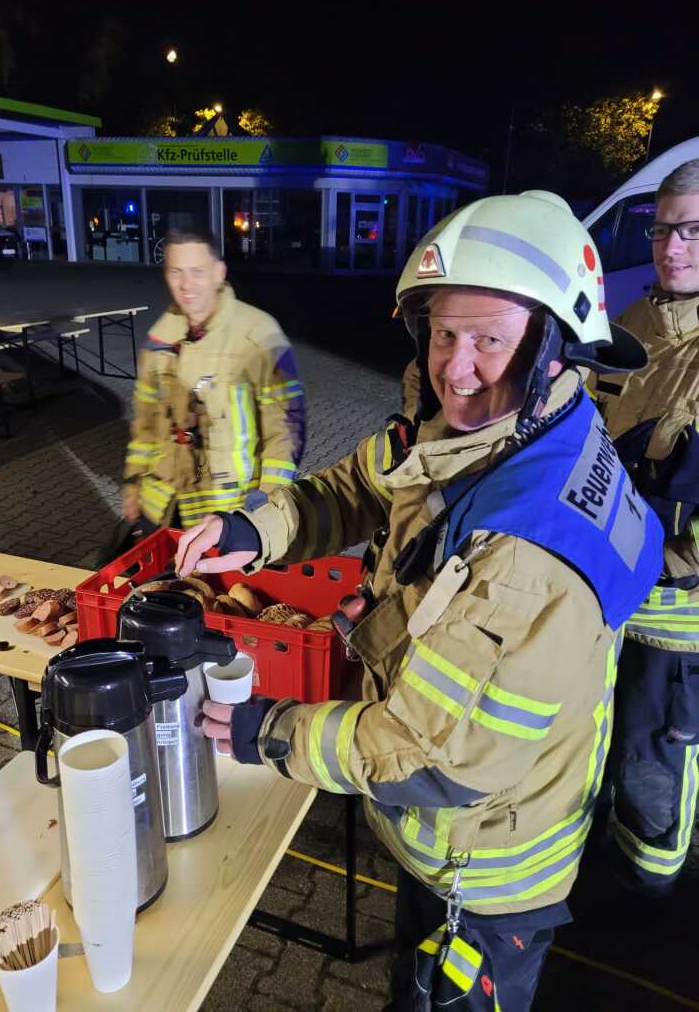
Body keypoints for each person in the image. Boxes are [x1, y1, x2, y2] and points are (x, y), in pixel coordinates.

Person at [176, 193, 663, 1010]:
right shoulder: (505, 428)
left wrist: (271, 731)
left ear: (553, 348)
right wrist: (256, 528)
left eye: (489, 341)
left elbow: (427, 759)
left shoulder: (523, 559)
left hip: (485, 873)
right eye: (442, 334)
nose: (456, 369)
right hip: (459, 834)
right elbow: (362, 482)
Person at [591, 159, 699, 896]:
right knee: (596, 746)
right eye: (661, 230)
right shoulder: (628, 327)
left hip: (676, 625)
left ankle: (651, 896)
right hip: (605, 601)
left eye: (691, 231)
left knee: (653, 765)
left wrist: (673, 560)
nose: (671, 247)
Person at [122, 228, 305, 533]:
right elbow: (145, 426)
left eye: (197, 271)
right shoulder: (158, 339)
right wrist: (132, 481)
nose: (186, 284)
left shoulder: (258, 335)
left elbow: (285, 430)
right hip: (163, 505)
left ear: (219, 273)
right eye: (176, 271)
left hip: (229, 511)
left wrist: (267, 504)